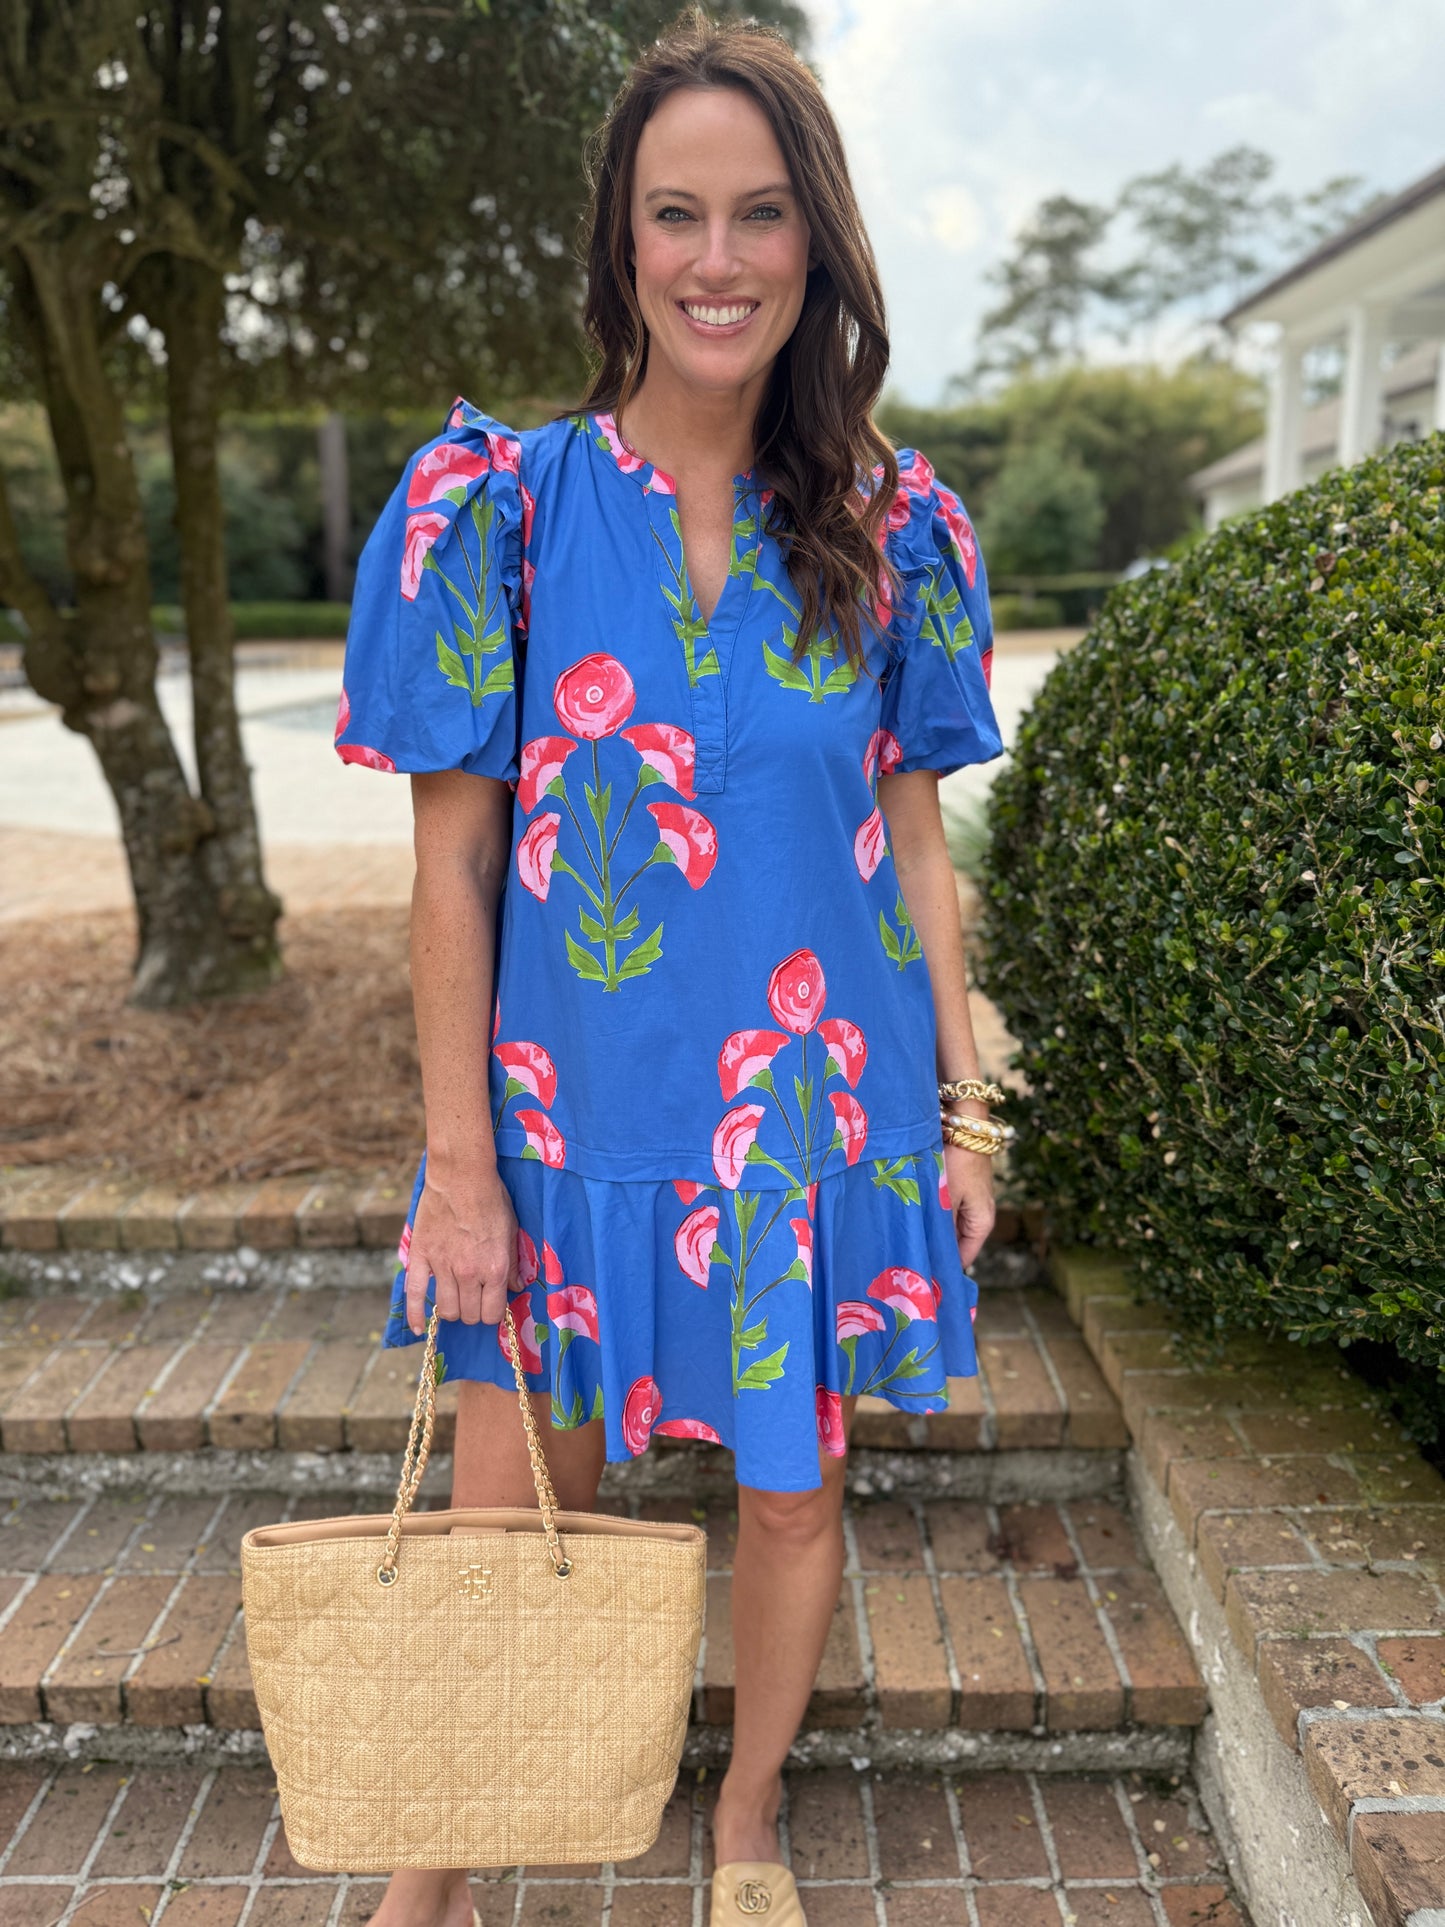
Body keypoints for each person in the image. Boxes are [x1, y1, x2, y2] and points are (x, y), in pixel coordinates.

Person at [334, 10, 1005, 1924]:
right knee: (509, 1524)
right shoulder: (503, 514)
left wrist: (964, 1113)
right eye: (675, 215)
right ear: (620, 246)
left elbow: (917, 848)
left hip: (815, 1125)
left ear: (816, 245)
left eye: (761, 214)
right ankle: (435, 1882)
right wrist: (459, 1171)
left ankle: (743, 1822)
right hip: (563, 1132)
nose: (719, 259)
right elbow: (455, 869)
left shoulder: (892, 537)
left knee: (791, 1497)